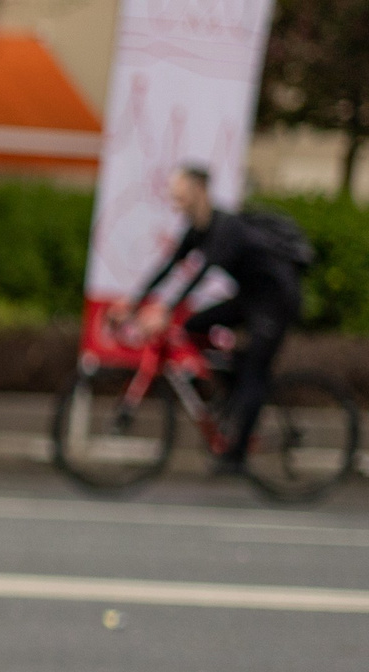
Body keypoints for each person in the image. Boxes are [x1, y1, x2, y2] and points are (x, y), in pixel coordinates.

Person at [131, 162, 308, 474]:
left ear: (200, 191)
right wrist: (133, 304)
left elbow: (201, 272)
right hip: (250, 298)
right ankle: (231, 383)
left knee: (256, 372)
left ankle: (236, 457)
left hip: (275, 301)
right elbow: (170, 265)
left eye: (181, 197)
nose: (177, 205)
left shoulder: (227, 228)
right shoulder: (197, 230)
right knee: (190, 326)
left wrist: (165, 310)